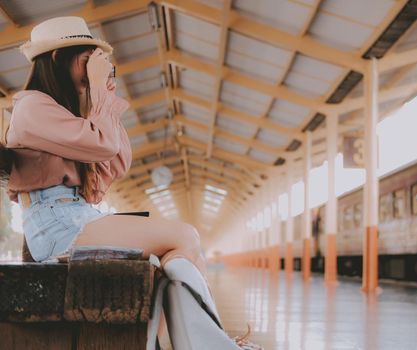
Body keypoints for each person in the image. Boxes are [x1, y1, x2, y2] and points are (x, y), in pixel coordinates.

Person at [0, 16, 260, 349]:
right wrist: (98, 94)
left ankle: (199, 343)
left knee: (177, 252)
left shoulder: (61, 113)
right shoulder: (32, 106)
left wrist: (104, 99)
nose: (95, 69)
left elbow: (116, 163)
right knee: (184, 235)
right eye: (87, 60)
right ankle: (208, 345)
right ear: (56, 58)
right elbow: (104, 145)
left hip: (76, 218)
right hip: (56, 227)